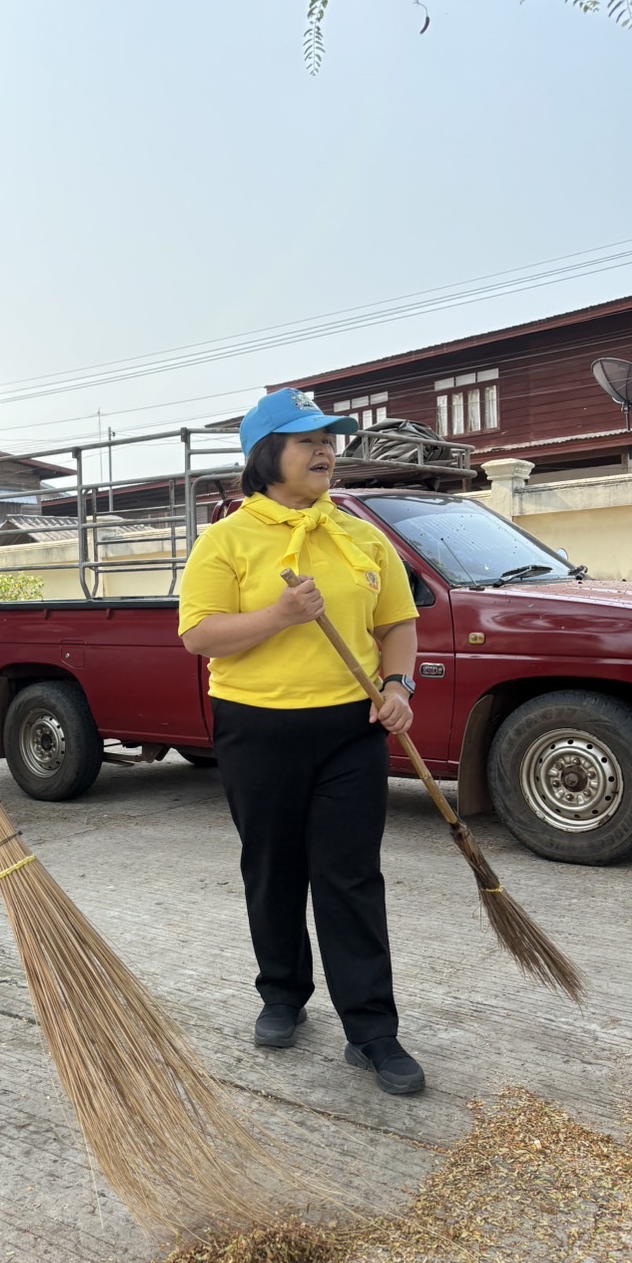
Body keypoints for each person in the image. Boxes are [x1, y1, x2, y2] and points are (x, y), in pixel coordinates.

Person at [178, 387, 425, 1095]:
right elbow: (199, 633)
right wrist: (280, 614)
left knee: (350, 875)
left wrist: (400, 686)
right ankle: (282, 993)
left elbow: (396, 622)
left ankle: (373, 1028)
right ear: (266, 456)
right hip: (258, 726)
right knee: (273, 865)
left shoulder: (359, 534)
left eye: (330, 440)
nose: (325, 451)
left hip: (351, 728)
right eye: (307, 441)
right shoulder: (225, 539)